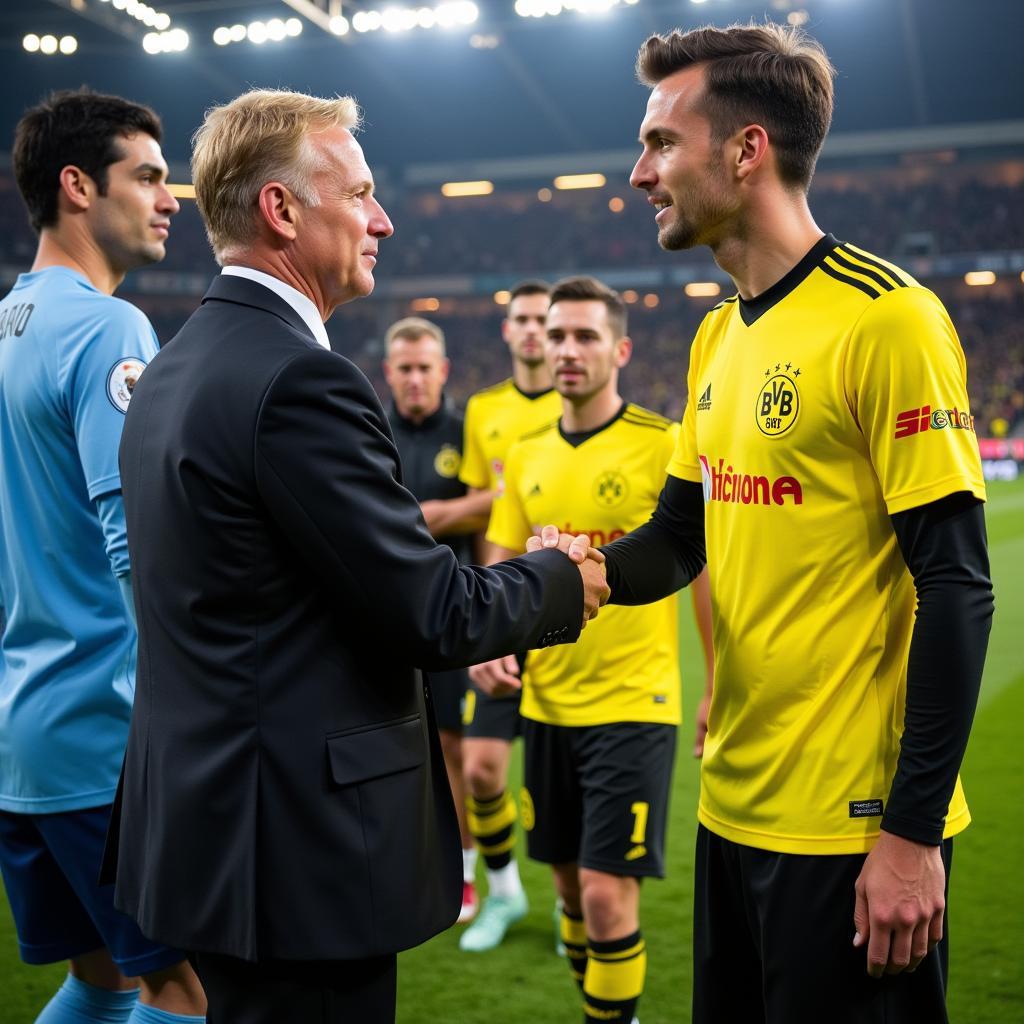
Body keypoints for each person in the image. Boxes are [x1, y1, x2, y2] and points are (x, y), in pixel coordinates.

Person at [105, 89, 609, 1024]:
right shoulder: (302, 378)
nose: (382, 219)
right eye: (362, 193)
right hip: (298, 848)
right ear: (283, 210)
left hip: (207, 824)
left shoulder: (173, 364)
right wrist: (565, 579)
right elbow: (429, 610)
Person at [594, 22, 994, 1024]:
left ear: (744, 150)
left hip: (852, 830)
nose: (638, 171)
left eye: (658, 143)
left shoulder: (886, 318)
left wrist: (908, 836)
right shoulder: (715, 332)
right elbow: (675, 543)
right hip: (732, 804)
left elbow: (955, 582)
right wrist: (542, 583)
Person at [0, 90, 206, 1024]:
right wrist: (192, 696)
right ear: (77, 186)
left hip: (21, 734)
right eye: (151, 177)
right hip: (103, 728)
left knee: (102, 979)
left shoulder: (7, 326)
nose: (172, 199)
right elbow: (137, 537)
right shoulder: (107, 328)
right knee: (190, 988)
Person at [473, 275, 715, 1024]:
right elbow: (503, 555)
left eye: (585, 336)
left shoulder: (663, 444)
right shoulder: (524, 448)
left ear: (621, 348)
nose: (567, 350)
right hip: (548, 702)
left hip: (635, 702)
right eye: (557, 335)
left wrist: (717, 680)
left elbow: (699, 566)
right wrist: (489, 641)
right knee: (573, 893)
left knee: (609, 897)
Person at [457, 281, 563, 953]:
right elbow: (480, 512)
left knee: (558, 779)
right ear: (507, 330)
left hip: (563, 622)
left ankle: (569, 905)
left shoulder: (579, 402)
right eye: (521, 320)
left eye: (543, 323)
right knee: (481, 771)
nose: (532, 332)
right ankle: (503, 893)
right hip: (501, 612)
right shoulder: (483, 409)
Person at [382, 315, 486, 923]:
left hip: (452, 614)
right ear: (389, 373)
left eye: (426, 368)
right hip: (389, 620)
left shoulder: (467, 430)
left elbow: (496, 501)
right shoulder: (371, 428)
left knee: (455, 749)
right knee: (391, 746)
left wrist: (425, 516)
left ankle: (467, 871)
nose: (416, 379)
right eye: (406, 369)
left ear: (442, 371)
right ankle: (406, 864)